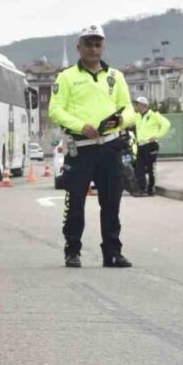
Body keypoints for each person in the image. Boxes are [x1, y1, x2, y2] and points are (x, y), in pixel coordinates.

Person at [48, 24, 136, 268]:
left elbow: (129, 108)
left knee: (111, 202)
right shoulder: (66, 77)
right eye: (88, 44)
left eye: (97, 44)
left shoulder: (115, 77)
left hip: (109, 146)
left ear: (103, 47)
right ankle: (72, 250)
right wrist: (80, 125)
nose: (93, 49)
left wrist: (121, 120)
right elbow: (55, 110)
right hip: (80, 147)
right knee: (75, 201)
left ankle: (112, 252)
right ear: (79, 47)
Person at [132, 96, 171, 197]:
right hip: (140, 146)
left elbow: (166, 124)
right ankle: (142, 189)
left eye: (137, 104)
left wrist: (158, 135)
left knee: (151, 167)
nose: (135, 106)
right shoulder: (137, 116)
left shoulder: (154, 115)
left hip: (151, 145)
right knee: (139, 168)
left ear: (143, 105)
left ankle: (151, 188)